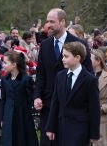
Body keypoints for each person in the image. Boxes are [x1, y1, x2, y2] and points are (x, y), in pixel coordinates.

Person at [34, 8, 93, 146]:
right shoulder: (45, 45)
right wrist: (37, 96)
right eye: (47, 21)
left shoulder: (79, 44)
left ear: (62, 22)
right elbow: (41, 74)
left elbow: (88, 75)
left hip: (71, 108)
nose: (48, 25)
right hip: (48, 107)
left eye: (52, 22)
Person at [46, 41, 100, 146]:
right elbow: (55, 103)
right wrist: (50, 127)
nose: (63, 59)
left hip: (80, 130)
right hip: (61, 127)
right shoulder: (60, 76)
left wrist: (94, 134)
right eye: (62, 56)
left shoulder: (90, 80)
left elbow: (94, 109)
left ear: (77, 58)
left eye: (66, 56)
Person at [1, 51, 38, 146]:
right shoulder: (5, 79)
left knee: (22, 138)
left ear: (14, 64)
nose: (3, 65)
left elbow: (30, 98)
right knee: (9, 139)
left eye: (5, 63)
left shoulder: (26, 79)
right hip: (8, 114)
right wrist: (2, 118)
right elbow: (3, 99)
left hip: (23, 115)